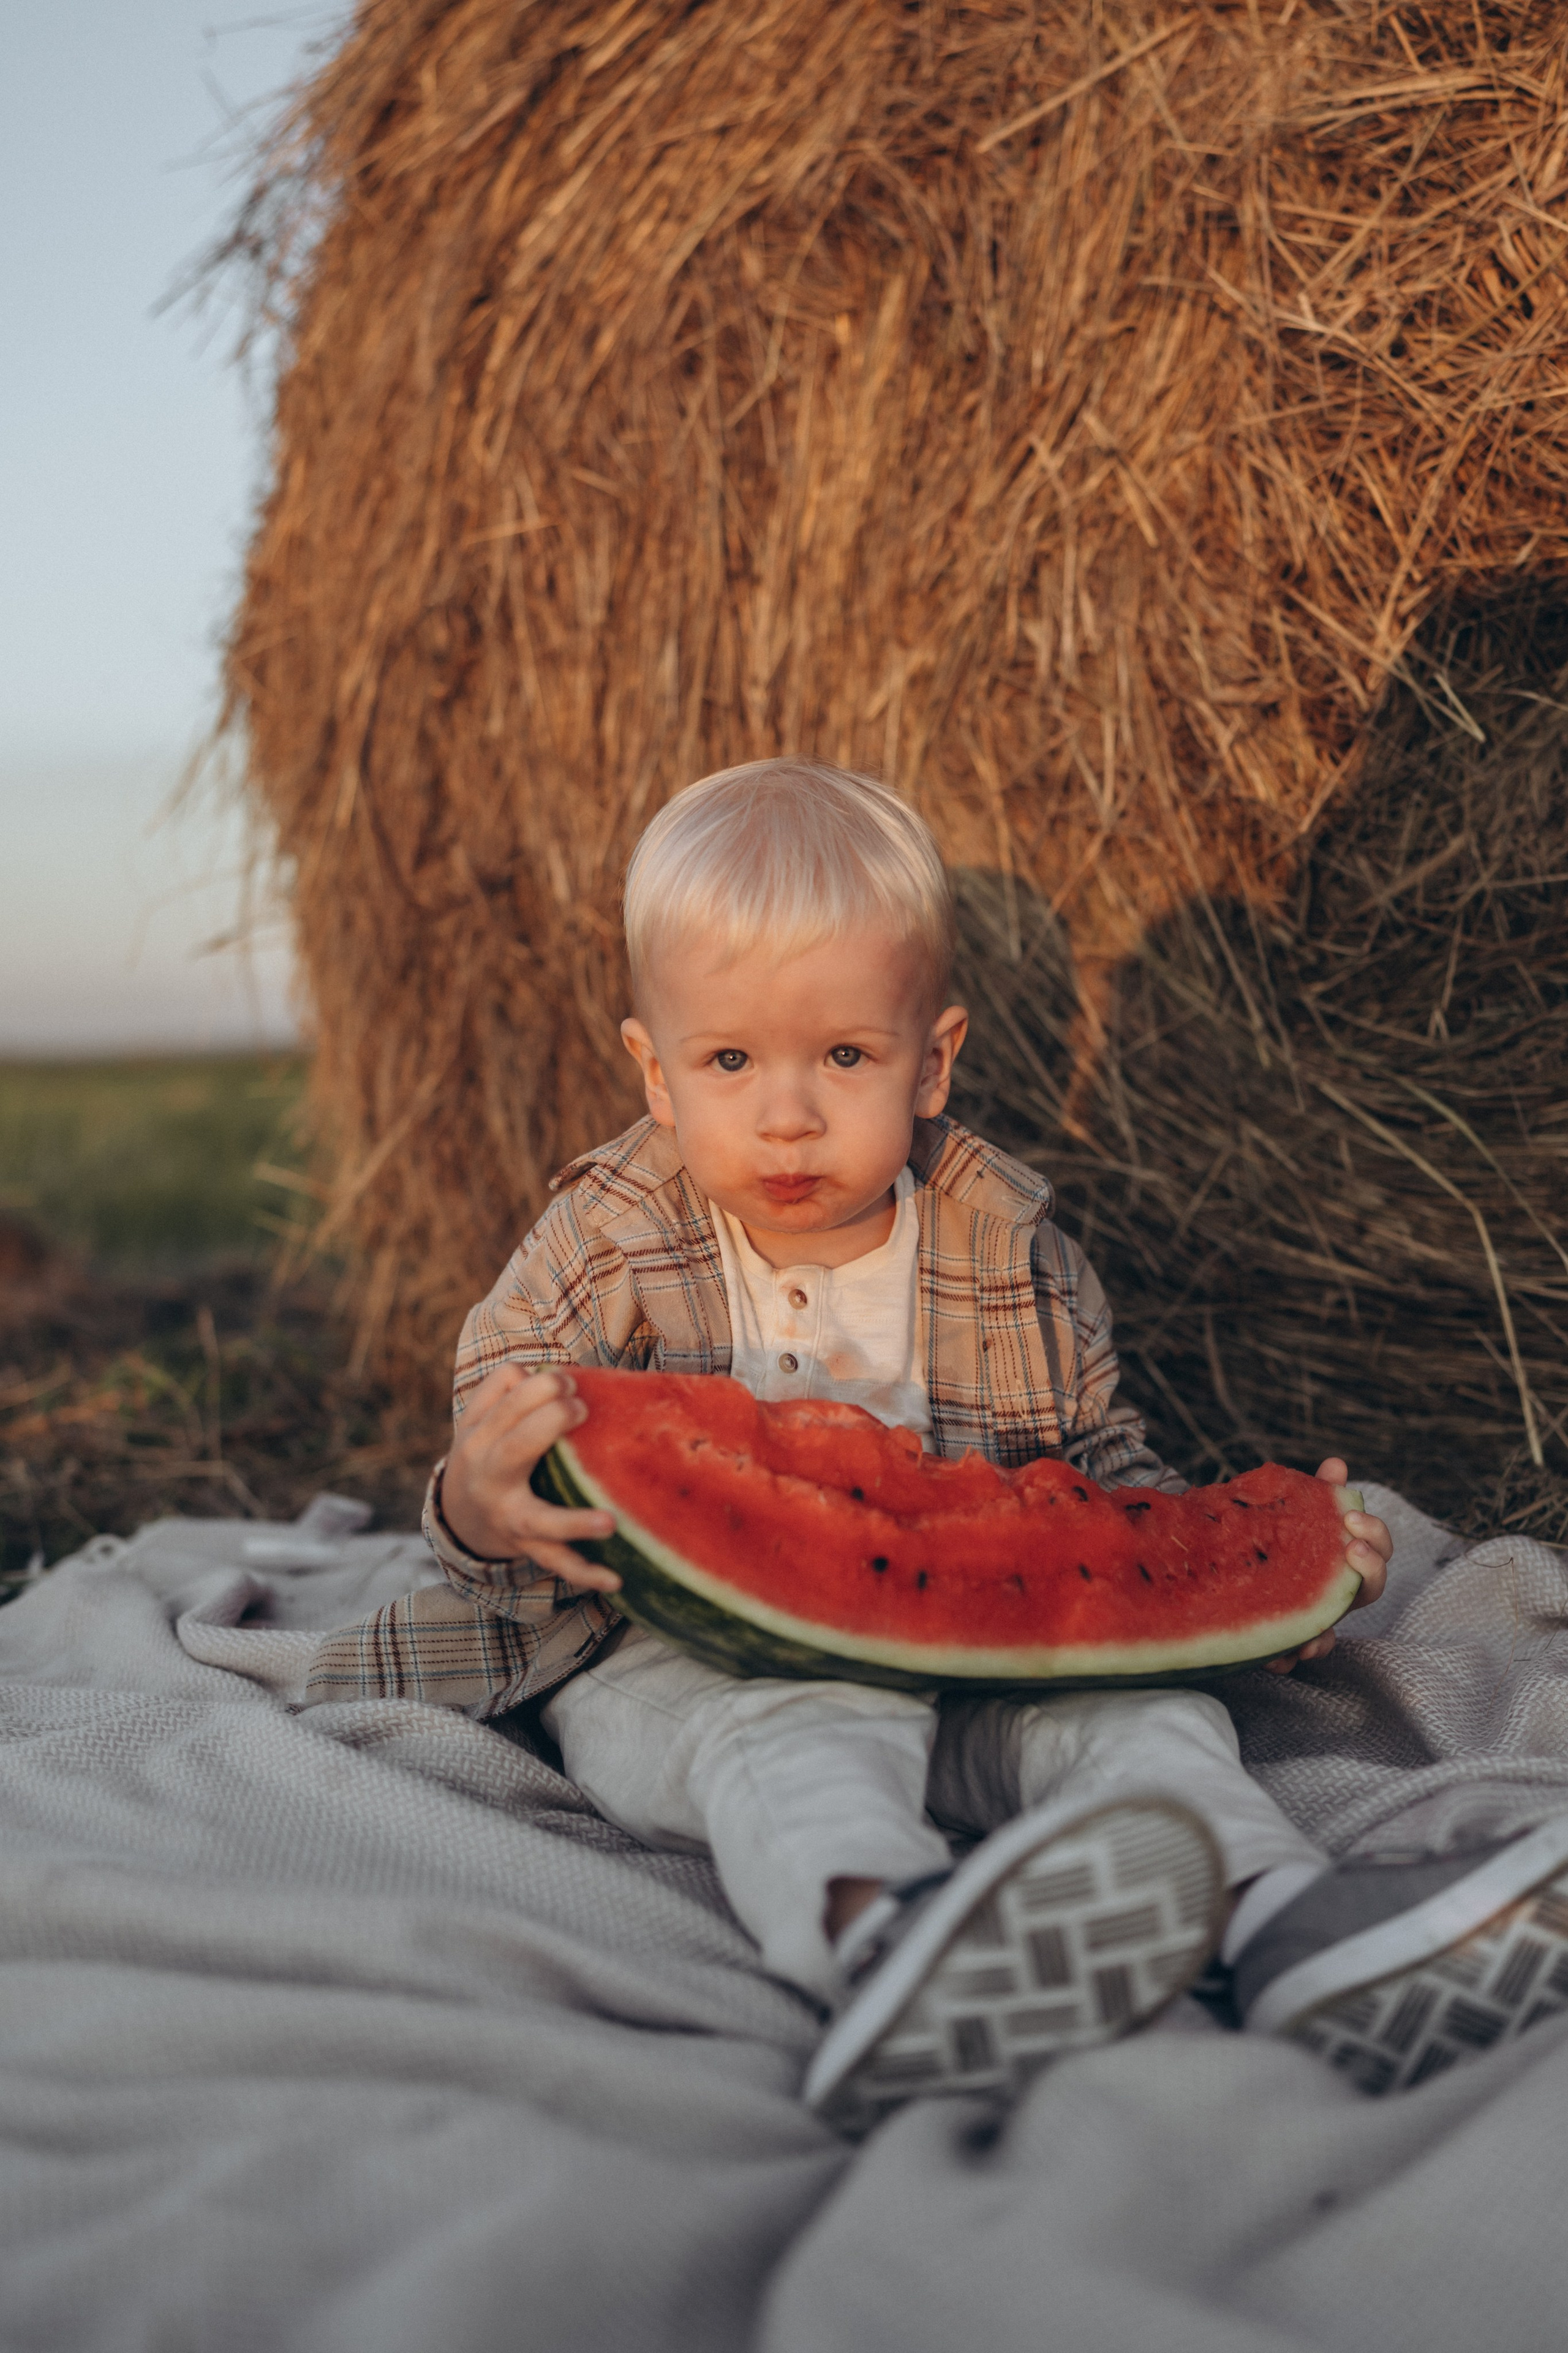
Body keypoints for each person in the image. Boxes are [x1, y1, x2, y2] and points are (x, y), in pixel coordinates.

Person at [304, 758, 1568, 2127]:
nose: (787, 1112)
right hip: (670, 1666)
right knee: (791, 1730)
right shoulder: (598, 1248)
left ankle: (1284, 1923)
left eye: (843, 1056)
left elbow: (1101, 1497)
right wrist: (484, 1500)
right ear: (654, 1076)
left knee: (1153, 1717)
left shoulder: (1011, 1250)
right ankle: (890, 1939)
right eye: (729, 1061)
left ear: (934, 1060)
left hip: (986, 1661)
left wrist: (1260, 1578)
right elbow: (497, 1427)